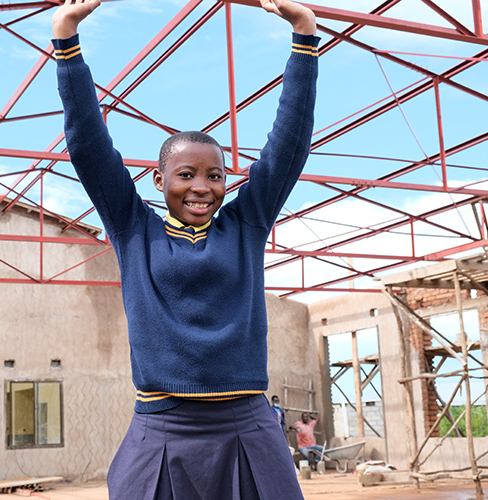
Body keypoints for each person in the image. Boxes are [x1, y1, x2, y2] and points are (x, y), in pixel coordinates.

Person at [52, 0, 318, 497]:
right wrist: (66, 39)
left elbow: (289, 146)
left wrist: (304, 37)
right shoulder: (134, 230)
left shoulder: (246, 225)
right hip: (163, 428)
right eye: (186, 174)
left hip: (248, 426)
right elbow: (87, 144)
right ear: (158, 181)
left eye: (215, 175)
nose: (202, 186)